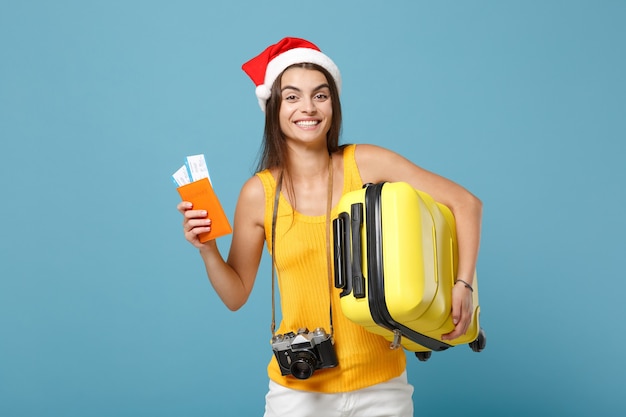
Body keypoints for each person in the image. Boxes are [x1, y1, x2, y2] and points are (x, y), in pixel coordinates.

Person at [177, 37, 482, 417]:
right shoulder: (259, 193)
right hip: (298, 393)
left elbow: (466, 203)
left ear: (333, 106)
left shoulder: (366, 163)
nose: (308, 107)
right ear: (273, 109)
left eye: (320, 96)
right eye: (292, 97)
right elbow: (236, 295)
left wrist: (463, 284)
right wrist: (207, 251)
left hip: (382, 387)